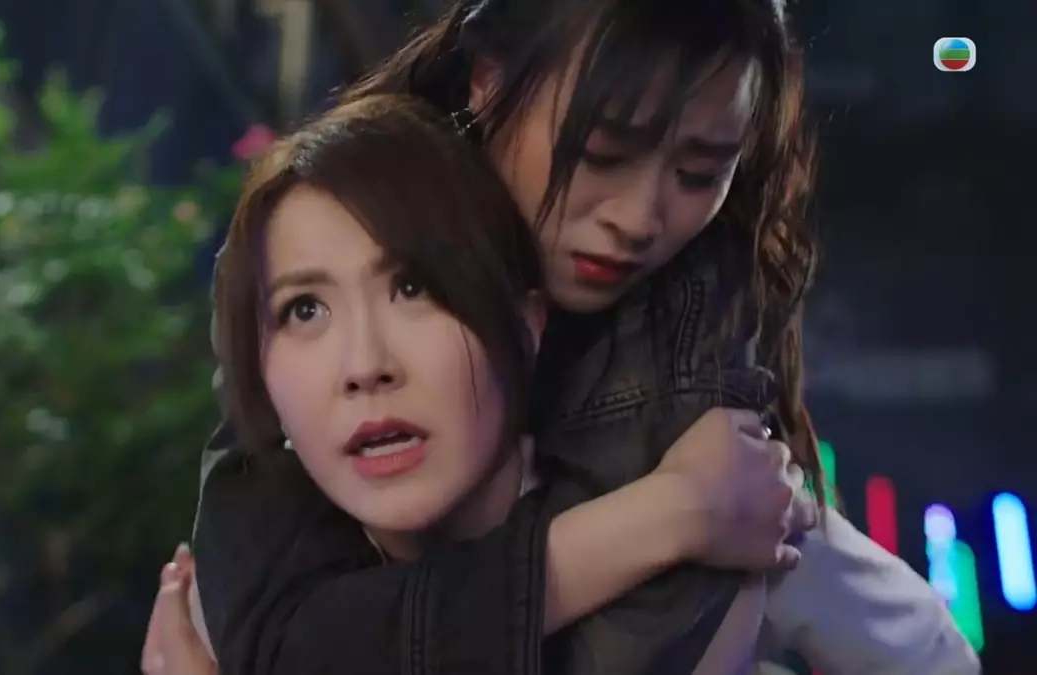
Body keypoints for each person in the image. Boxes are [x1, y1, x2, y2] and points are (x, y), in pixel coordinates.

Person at [180, 0, 978, 672]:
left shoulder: (692, 399)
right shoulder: (318, 237)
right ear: (487, 84)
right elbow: (285, 639)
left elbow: (916, 642)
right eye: (602, 153)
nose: (639, 218)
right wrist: (670, 514)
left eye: (699, 173)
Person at [143, 93, 805, 675]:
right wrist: (676, 512)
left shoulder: (746, 509)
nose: (365, 365)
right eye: (305, 309)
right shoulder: (233, 604)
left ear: (526, 323)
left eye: (414, 288)